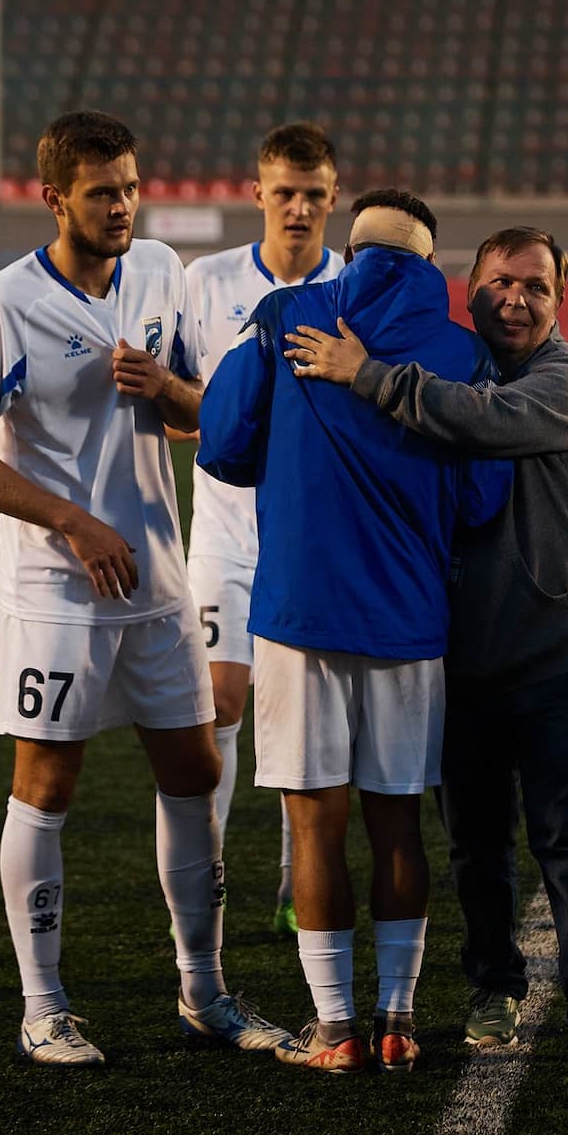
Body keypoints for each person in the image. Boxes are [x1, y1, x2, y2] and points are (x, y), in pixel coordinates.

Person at [0, 110, 290, 1068]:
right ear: (55, 199)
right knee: (46, 787)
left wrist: (164, 390)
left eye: (131, 186)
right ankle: (42, 1006)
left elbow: (198, 417)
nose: (124, 205)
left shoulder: (162, 271)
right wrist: (71, 521)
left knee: (196, 774)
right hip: (57, 592)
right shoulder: (4, 304)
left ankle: (204, 994)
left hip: (160, 582)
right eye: (103, 192)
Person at [282, 226, 568, 1059]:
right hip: (456, 656)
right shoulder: (443, 362)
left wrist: (364, 373)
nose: (517, 299)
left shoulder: (561, 381)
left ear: (560, 300)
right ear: (467, 288)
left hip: (552, 648)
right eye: (502, 282)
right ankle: (492, 989)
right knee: (476, 844)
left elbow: (478, 420)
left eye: (537, 287)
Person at [198, 189, 512, 1074]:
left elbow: (220, 442)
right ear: (428, 259)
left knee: (314, 826)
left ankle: (334, 1030)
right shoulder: (461, 349)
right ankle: (399, 1018)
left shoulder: (290, 313)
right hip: (411, 620)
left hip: (300, 614)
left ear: (353, 244)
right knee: (399, 825)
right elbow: (486, 499)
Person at [182, 121, 343, 935]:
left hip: (308, 540)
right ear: (258, 195)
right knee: (220, 703)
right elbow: (178, 408)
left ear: (334, 198)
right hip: (220, 532)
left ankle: (292, 885)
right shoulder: (203, 282)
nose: (299, 208)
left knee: (298, 713)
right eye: (285, 192)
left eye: (314, 194)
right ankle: (207, 881)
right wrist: (207, 410)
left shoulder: (355, 286)